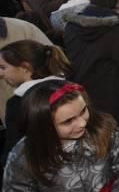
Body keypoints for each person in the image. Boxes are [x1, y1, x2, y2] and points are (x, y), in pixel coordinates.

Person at [63, 0, 119, 146]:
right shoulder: (117, 29)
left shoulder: (71, 26)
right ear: (117, 2)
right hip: (116, 98)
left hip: (83, 97)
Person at [0, 41, 71, 169]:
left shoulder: (18, 104)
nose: (0, 74)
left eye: (3, 67)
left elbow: (14, 152)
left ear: (25, 68)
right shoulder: (69, 89)